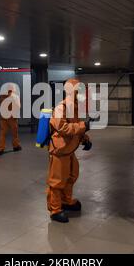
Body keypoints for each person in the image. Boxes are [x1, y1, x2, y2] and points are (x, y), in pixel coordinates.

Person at [46, 78, 92, 223]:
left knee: (72, 176)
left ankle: (66, 201)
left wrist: (85, 139)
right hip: (59, 152)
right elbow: (63, 128)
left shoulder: (74, 108)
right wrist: (83, 126)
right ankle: (55, 210)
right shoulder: (62, 107)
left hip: (69, 150)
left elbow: (76, 127)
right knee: (57, 181)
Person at [0, 84, 22, 155]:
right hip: (12, 117)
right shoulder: (15, 97)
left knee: (2, 133)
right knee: (14, 133)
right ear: (13, 89)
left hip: (3, 117)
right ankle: (16, 146)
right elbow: (18, 106)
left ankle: (0, 149)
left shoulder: (1, 96)